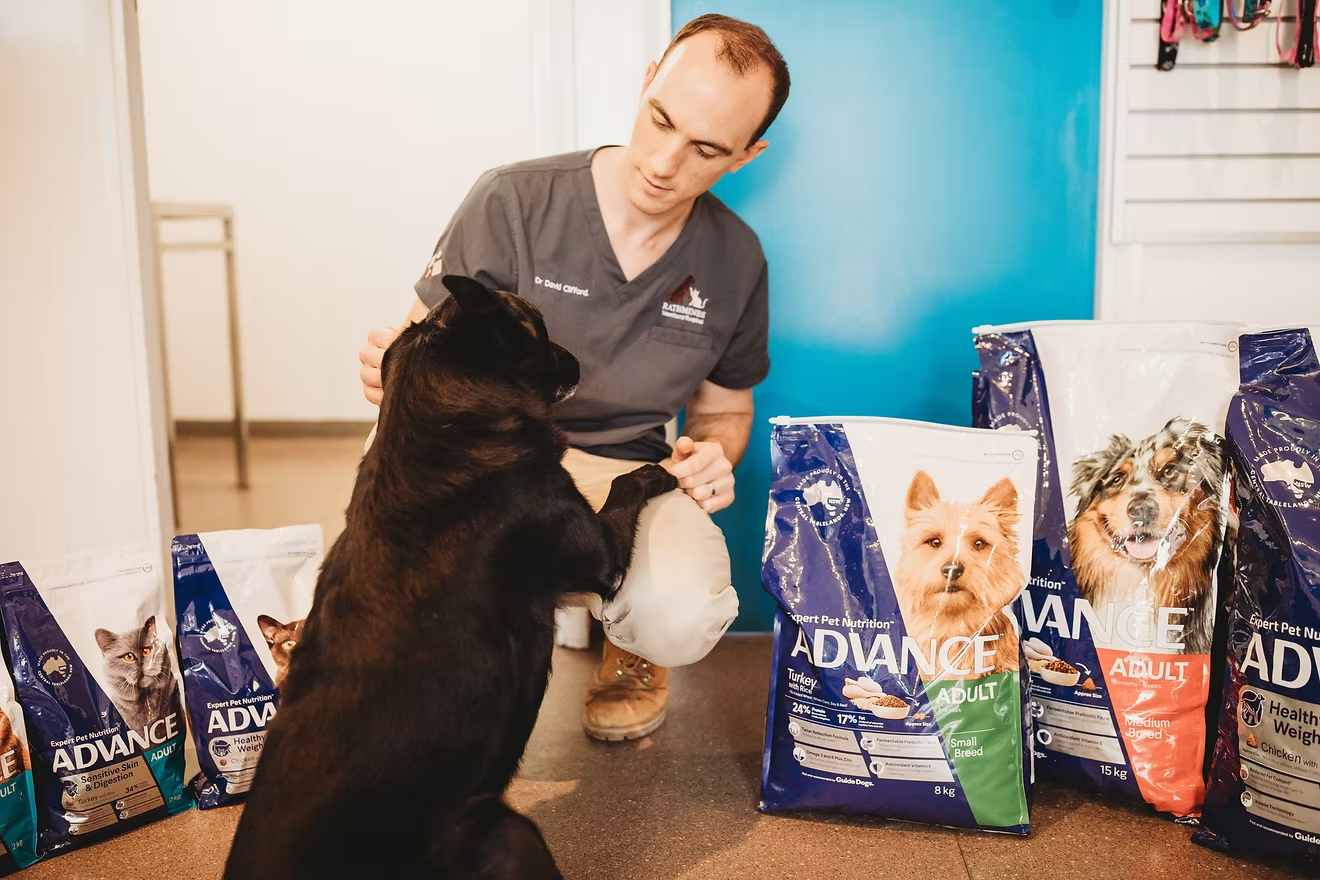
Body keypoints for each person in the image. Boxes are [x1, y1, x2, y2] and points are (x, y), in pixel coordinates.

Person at [358, 14, 789, 741]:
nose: (663, 162)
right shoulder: (511, 201)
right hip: (487, 462)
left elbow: (725, 413)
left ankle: (632, 646)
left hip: (625, 472)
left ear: (746, 156)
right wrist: (391, 371)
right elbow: (419, 348)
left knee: (681, 613)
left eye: (706, 149)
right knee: (397, 611)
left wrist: (714, 453)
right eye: (660, 121)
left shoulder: (737, 259)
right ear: (648, 77)